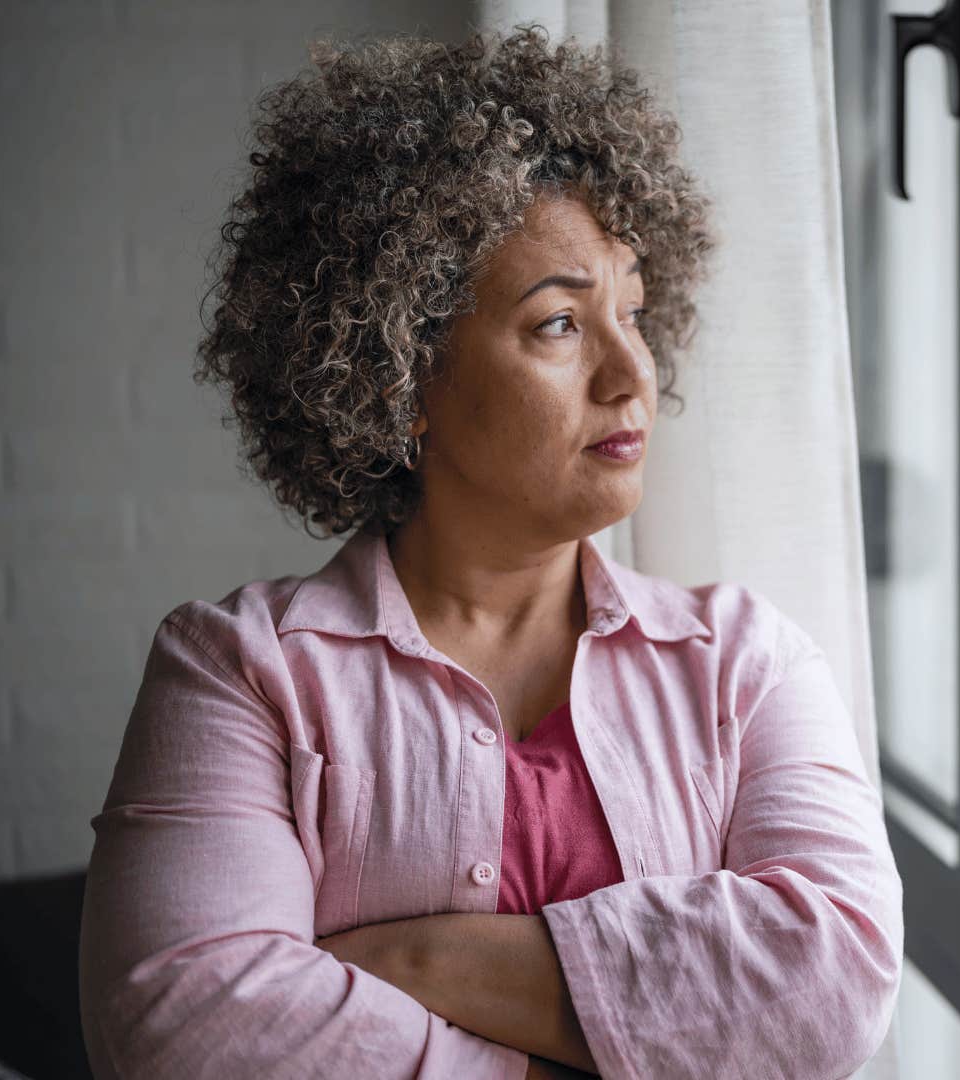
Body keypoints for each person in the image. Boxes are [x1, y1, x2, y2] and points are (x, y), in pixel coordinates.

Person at [76, 25, 902, 1080]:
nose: (629, 376)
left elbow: (834, 984)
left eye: (634, 314)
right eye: (559, 323)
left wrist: (403, 958)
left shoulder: (745, 661)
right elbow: (184, 1028)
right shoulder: (239, 670)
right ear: (398, 372)